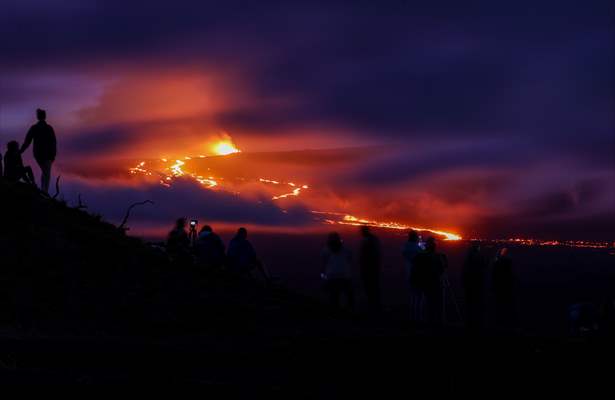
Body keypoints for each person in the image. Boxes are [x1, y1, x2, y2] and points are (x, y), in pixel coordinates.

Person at [20, 108, 57, 193]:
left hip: (39, 154)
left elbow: (27, 141)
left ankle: (43, 190)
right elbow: (54, 142)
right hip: (47, 154)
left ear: (38, 117)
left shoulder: (35, 128)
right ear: (44, 116)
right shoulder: (48, 128)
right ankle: (45, 192)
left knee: (45, 171)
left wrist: (20, 151)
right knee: (46, 172)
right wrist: (53, 154)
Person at [412, 237, 447, 324]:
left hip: (424, 283)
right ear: (435, 246)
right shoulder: (439, 256)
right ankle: (438, 322)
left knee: (426, 304)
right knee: (437, 305)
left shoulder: (420, 256)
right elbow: (443, 268)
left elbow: (415, 268)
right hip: (436, 284)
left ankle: (424, 321)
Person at [321, 232, 354, 311]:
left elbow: (323, 261)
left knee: (334, 296)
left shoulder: (326, 250)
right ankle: (349, 312)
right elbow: (350, 258)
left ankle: (335, 312)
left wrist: (324, 276)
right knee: (347, 295)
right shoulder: (346, 249)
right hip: (345, 276)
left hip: (331, 276)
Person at [462, 240, 487, 330]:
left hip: (469, 285)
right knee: (478, 305)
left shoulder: (468, 260)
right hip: (478, 285)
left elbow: (464, 272)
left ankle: (469, 324)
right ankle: (478, 325)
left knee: (470, 305)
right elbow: (484, 268)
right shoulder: (480, 258)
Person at [359, 226, 381, 312]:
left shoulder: (368, 240)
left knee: (370, 287)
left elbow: (365, 255)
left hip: (369, 268)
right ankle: (374, 305)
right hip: (372, 267)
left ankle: (372, 306)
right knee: (373, 287)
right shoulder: (373, 239)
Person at [492, 248, 516, 330]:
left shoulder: (500, 262)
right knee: (504, 304)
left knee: (501, 304)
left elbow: (495, 271)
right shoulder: (508, 262)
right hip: (505, 286)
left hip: (501, 285)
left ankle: (500, 324)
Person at [402, 230, 422, 321]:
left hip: (408, 272)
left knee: (411, 295)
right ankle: (418, 317)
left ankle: (411, 316)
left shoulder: (405, 247)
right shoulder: (417, 248)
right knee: (419, 296)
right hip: (417, 273)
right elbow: (422, 255)